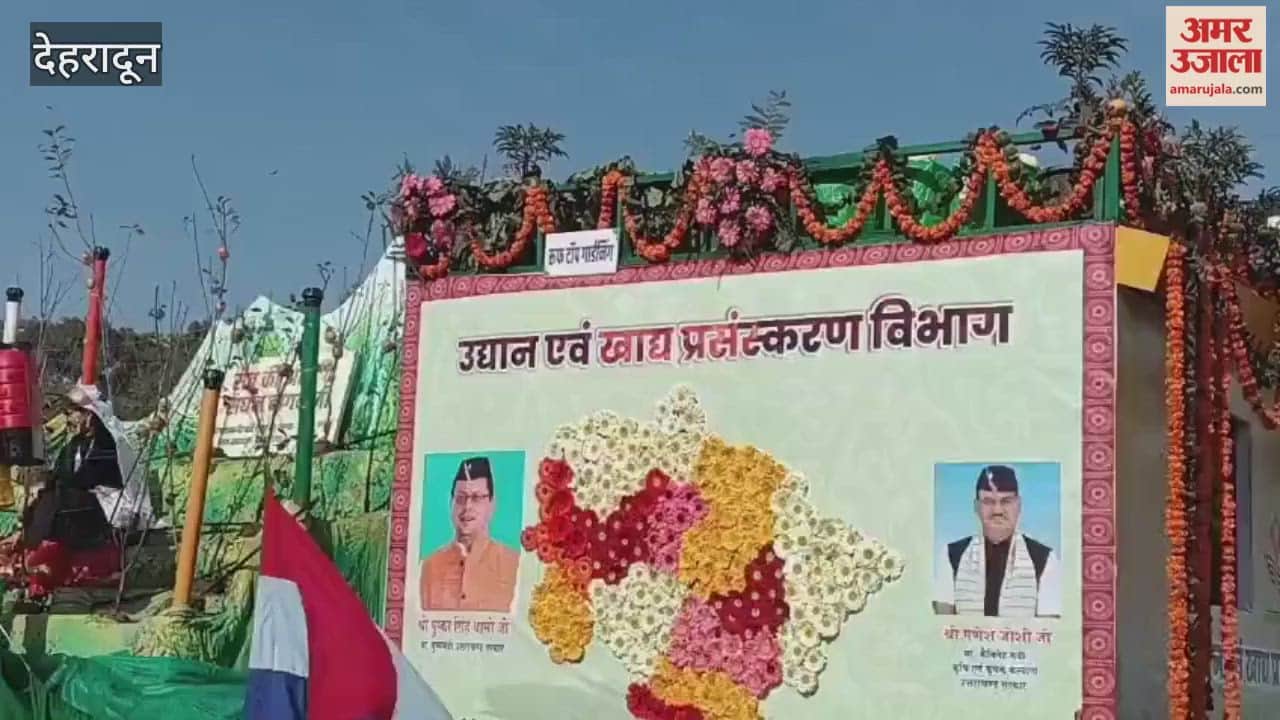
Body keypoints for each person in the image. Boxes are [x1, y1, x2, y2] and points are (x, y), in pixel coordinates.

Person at [933, 465, 1061, 618]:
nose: (997, 511)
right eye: (988, 501)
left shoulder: (1045, 559)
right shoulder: (951, 555)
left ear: (1018, 505)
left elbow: (1050, 633)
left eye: (1006, 501)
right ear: (976, 507)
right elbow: (942, 627)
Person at [419, 456, 519, 612]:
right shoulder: (430, 566)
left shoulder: (514, 565)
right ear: (450, 503)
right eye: (460, 498)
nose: (467, 506)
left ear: (492, 504)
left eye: (477, 498)